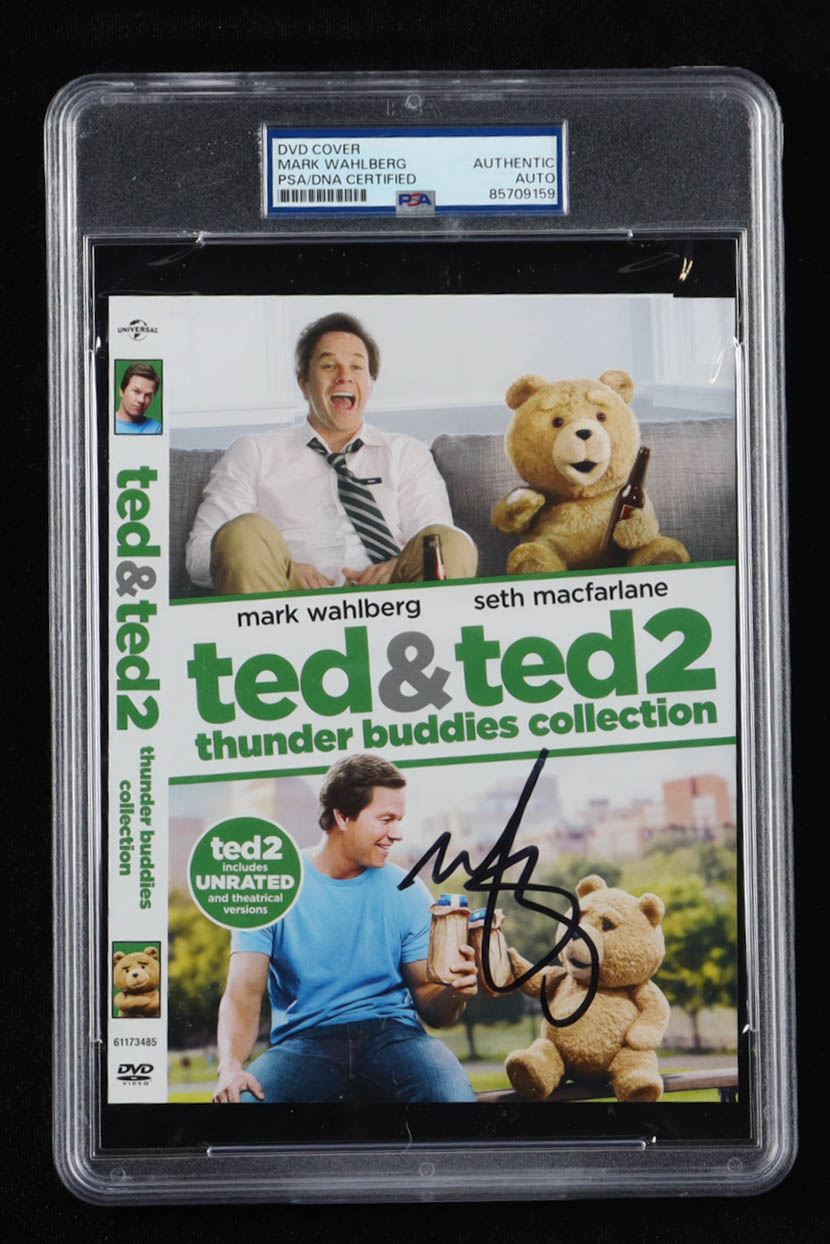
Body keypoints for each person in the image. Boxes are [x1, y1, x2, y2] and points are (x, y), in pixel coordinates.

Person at [213, 754, 478, 1104]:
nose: (397, 834)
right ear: (342, 816)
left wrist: (456, 992)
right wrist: (230, 1066)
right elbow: (243, 993)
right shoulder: (271, 888)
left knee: (451, 1095)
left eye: (399, 820)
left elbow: (432, 1005)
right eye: (386, 819)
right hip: (304, 1042)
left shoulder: (408, 890)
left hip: (394, 1036)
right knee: (241, 1103)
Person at [185, 312, 477, 593]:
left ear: (370, 385)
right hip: (286, 601)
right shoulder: (254, 453)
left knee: (446, 542)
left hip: (394, 597)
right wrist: (285, 569)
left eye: (357, 367)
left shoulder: (407, 453)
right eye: (328, 366)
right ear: (304, 382)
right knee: (242, 532)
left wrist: (394, 567)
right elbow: (199, 555)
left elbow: (440, 544)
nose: (344, 376)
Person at [115, 362, 162, 434]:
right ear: (121, 391)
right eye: (136, 391)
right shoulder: (105, 422)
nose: (141, 400)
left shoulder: (157, 429)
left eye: (148, 395)